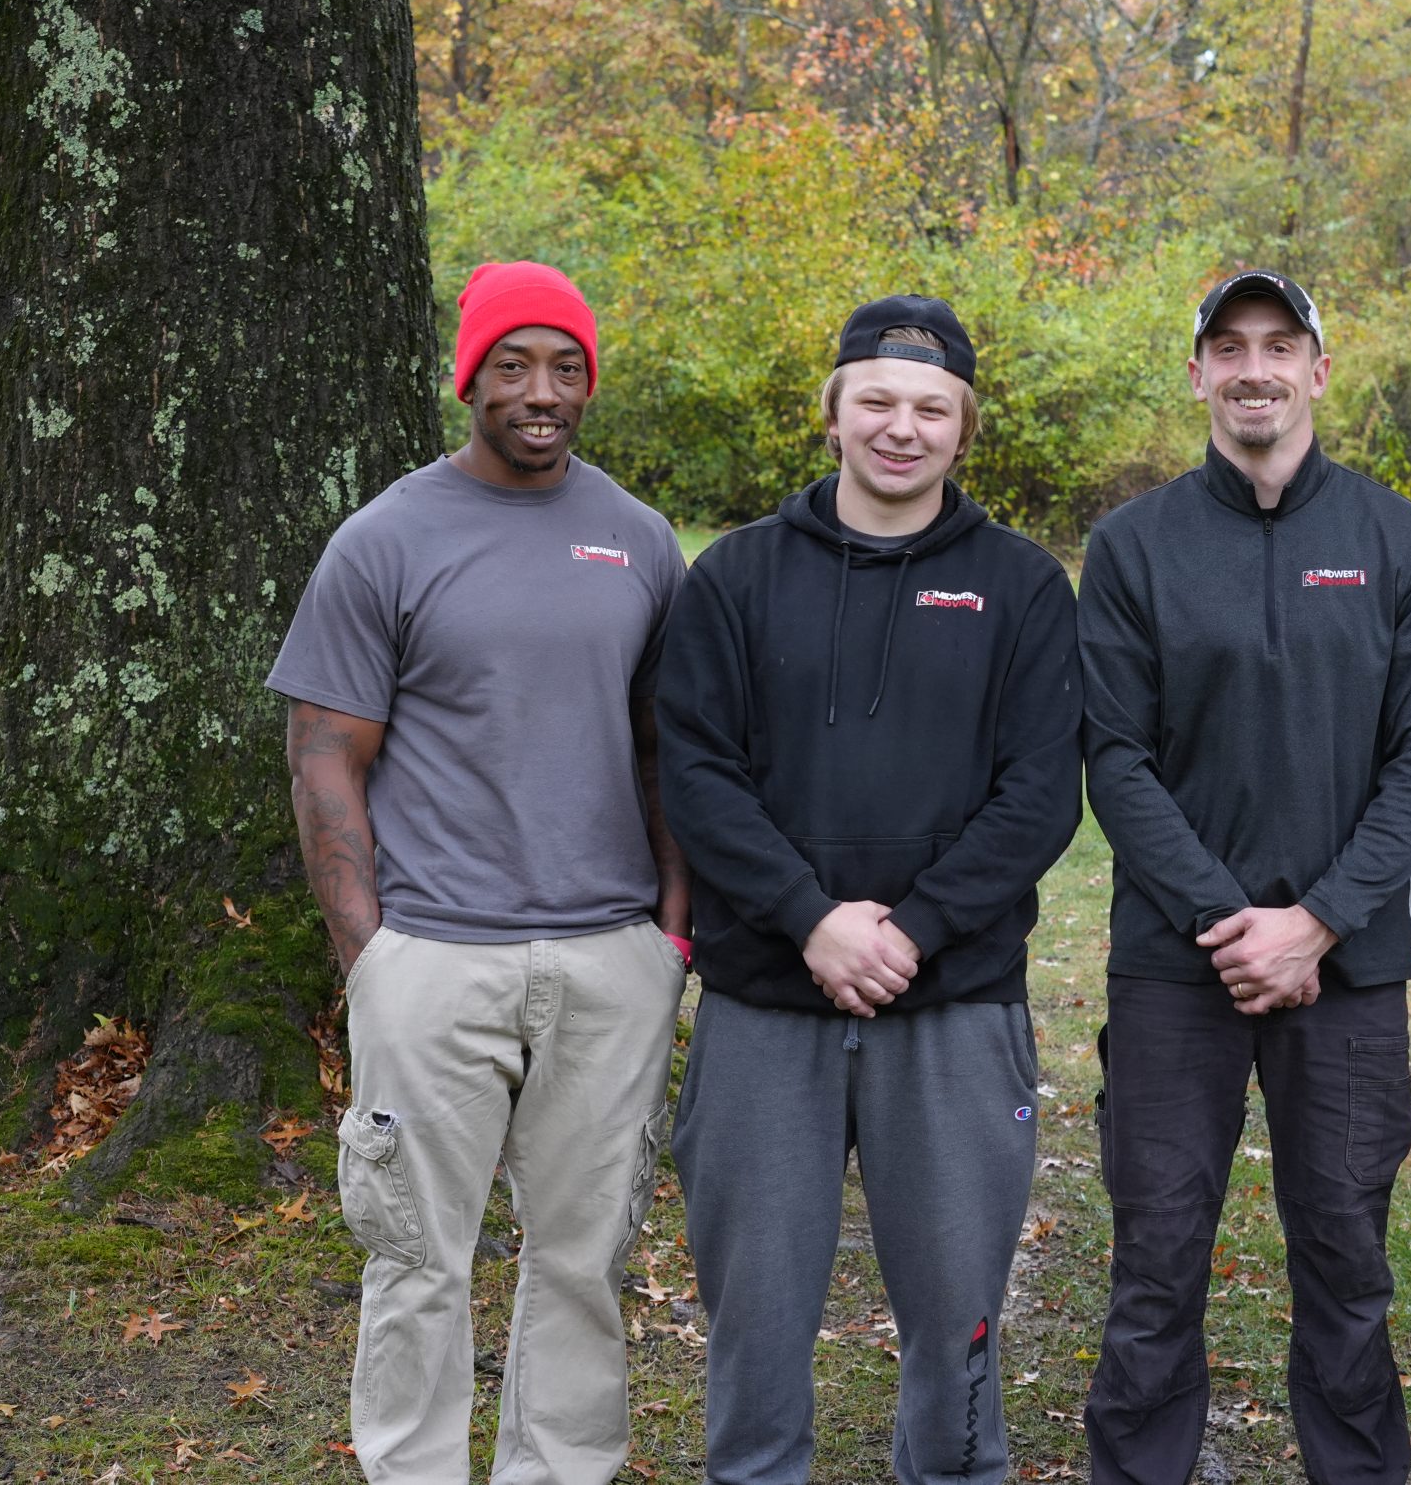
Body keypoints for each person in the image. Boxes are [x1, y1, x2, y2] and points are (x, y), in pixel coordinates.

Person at [271, 260, 691, 1485]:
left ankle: (559, 1471)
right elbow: (322, 763)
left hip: (610, 960)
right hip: (436, 959)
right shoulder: (388, 538)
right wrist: (373, 960)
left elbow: (670, 750)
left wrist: (668, 934)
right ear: (471, 378)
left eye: (566, 367)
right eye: (514, 365)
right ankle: (411, 1471)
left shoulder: (638, 539)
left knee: (584, 1258)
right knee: (414, 1258)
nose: (542, 391)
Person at [655, 296, 1081, 1485]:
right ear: (834, 413)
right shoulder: (735, 577)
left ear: (965, 428)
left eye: (931, 409)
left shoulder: (1021, 587)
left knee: (957, 1317)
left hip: (953, 1008)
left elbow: (1042, 794)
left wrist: (912, 931)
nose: (904, 429)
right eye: (879, 402)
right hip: (762, 1006)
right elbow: (698, 773)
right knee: (754, 1312)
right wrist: (812, 921)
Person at [1078, 270, 1411, 1485]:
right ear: (1197, 373)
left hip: (1344, 978)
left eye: (1279, 346)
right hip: (1170, 974)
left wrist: (1316, 922)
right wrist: (1224, 920)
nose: (1255, 369)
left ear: (1319, 371)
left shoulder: (1399, 542)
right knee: (1155, 1266)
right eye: (1229, 348)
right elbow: (1115, 756)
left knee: (1348, 1266)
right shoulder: (1134, 545)